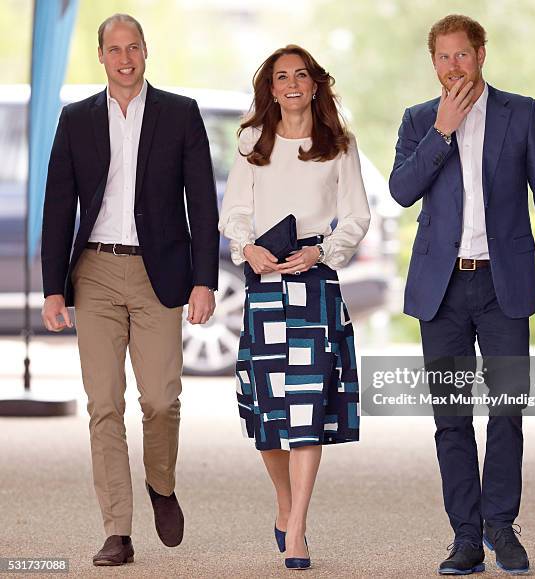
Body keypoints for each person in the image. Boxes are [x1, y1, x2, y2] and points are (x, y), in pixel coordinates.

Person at [389, 14, 535, 576]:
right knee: (450, 416)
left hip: (505, 284)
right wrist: (442, 131)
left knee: (508, 410)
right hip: (441, 288)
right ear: (433, 63)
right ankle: (466, 536)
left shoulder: (522, 113)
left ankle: (501, 526)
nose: (452, 66)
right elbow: (400, 191)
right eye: (442, 57)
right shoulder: (419, 120)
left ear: (481, 54)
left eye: (461, 55)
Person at [40, 13, 219, 566]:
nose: (125, 58)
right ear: (101, 56)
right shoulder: (76, 120)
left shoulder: (180, 114)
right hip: (93, 272)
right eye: (114, 49)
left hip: (159, 272)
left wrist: (204, 279)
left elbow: (203, 204)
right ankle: (117, 528)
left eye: (133, 47)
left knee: (162, 400)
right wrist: (52, 288)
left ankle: (160, 484)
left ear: (146, 52)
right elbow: (57, 208)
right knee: (103, 406)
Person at [219, 44, 370, 570]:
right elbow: (234, 213)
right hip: (264, 285)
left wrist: (321, 251)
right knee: (269, 410)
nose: (291, 84)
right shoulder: (250, 142)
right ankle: (283, 503)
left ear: (314, 84)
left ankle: (299, 525)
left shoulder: (339, 145)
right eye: (281, 76)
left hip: (314, 285)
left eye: (299, 75)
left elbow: (356, 217)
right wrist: (248, 249)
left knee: (307, 407)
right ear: (270, 87)